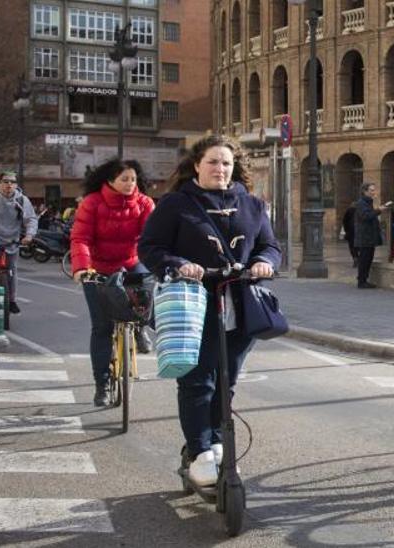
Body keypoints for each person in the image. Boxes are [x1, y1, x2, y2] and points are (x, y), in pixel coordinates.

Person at [138, 135, 280, 488]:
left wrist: (263, 262)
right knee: (197, 382)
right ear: (197, 165)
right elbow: (150, 248)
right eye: (213, 162)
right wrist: (178, 263)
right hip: (192, 305)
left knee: (226, 382)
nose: (220, 169)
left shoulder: (252, 205)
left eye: (227, 163)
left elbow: (270, 246)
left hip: (240, 306)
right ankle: (200, 451)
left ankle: (217, 443)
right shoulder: (175, 204)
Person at [70, 158, 156, 406]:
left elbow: (152, 238)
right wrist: (82, 269)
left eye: (133, 179)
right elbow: (80, 238)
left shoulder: (144, 203)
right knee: (102, 328)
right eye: (124, 179)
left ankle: (139, 327)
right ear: (110, 181)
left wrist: (160, 262)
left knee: (148, 289)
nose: (130, 184)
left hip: (130, 262)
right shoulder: (92, 203)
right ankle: (103, 384)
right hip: (98, 268)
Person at [0, 172, 38, 313]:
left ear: (16, 185)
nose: (9, 184)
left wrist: (29, 235)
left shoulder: (22, 200)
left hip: (12, 239)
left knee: (12, 269)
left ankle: (12, 300)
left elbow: (31, 219)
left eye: (12, 182)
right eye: (5, 181)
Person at [353, 181, 390, 289]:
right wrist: (379, 210)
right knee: (364, 259)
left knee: (368, 258)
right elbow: (366, 216)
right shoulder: (361, 203)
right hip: (365, 237)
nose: (374, 192)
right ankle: (361, 281)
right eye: (371, 190)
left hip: (369, 236)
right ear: (365, 191)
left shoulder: (367, 202)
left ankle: (364, 280)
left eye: (374, 190)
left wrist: (377, 210)